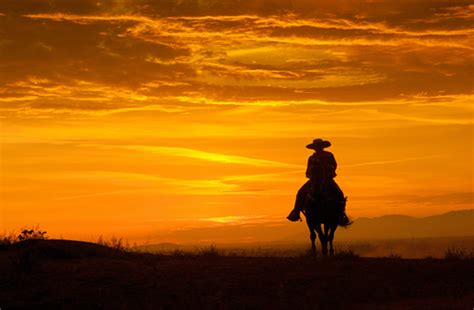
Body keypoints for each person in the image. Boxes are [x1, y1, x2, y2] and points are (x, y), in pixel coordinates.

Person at [287, 138, 348, 224]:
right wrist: (310, 174)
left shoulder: (329, 155)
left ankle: (341, 214)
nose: (317, 148)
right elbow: (308, 170)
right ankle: (296, 212)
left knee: (339, 193)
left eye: (319, 146)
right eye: (316, 147)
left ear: (322, 147)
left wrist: (328, 170)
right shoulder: (311, 158)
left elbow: (334, 165)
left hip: (327, 179)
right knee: (300, 192)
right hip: (314, 180)